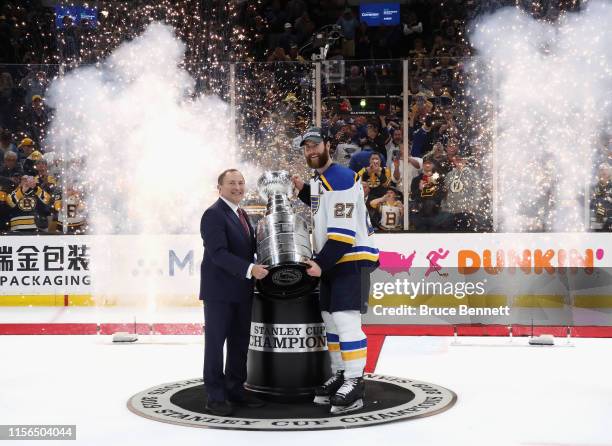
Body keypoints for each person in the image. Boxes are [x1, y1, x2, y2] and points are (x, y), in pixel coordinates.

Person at [291, 127, 379, 414]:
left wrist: (320, 263)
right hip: (333, 259)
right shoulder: (321, 180)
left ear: (328, 145)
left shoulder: (340, 177)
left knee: (345, 320)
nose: (311, 151)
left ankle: (355, 380)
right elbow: (323, 208)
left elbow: (342, 233)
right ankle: (342, 373)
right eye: (306, 148)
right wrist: (303, 190)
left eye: (315, 145)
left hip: (349, 258)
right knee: (330, 321)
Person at [199, 169, 268, 416]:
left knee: (240, 343)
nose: (237, 187)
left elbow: (247, 250)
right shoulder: (213, 215)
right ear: (220, 187)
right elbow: (218, 254)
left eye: (240, 183)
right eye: (231, 183)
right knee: (216, 345)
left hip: (242, 290)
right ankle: (215, 396)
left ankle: (236, 389)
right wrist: (250, 269)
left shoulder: (242, 214)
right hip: (219, 292)